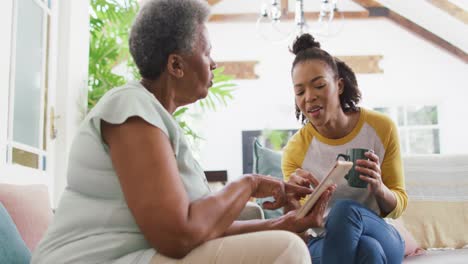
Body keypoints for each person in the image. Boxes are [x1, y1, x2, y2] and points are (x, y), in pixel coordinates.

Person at [31, 1, 335, 263]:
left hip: (135, 254)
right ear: (176, 65)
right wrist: (250, 183)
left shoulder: (156, 119)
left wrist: (285, 222)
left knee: (263, 222)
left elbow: (205, 228)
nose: (214, 63)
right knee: (288, 251)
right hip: (94, 260)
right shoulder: (130, 108)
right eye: (207, 53)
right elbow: (178, 235)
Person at [282, 33, 408, 264]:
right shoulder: (295, 150)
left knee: (344, 211)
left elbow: (398, 206)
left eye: (319, 85)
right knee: (367, 251)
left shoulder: (381, 128)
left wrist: (379, 188)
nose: (309, 97)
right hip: (326, 239)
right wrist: (292, 200)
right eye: (300, 92)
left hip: (380, 232)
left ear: (339, 85)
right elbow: (300, 228)